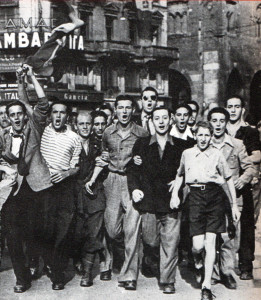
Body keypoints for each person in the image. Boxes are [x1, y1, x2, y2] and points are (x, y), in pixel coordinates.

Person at [170, 121, 240, 300]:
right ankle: (198, 262)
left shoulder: (217, 154)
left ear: (211, 137)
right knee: (197, 246)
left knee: (210, 243)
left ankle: (206, 286)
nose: (203, 139)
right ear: (195, 135)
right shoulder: (187, 154)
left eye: (207, 135)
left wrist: (233, 205)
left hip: (214, 198)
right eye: (200, 135)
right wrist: (175, 195)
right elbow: (180, 175)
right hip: (195, 198)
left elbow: (229, 179)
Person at [86, 94, 147, 290]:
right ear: (115, 110)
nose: (124, 111)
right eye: (120, 107)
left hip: (132, 180)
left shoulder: (142, 133)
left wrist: (140, 163)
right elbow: (104, 155)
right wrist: (95, 175)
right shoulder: (107, 132)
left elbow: (147, 159)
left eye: (128, 108)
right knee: (112, 229)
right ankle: (122, 252)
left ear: (133, 110)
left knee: (132, 228)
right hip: (111, 181)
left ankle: (129, 276)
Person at [0, 65, 52, 293]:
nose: (16, 118)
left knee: (33, 232)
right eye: (12, 115)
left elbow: (42, 104)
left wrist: (28, 77)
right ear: (7, 119)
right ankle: (22, 278)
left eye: (19, 114)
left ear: (24, 115)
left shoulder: (34, 127)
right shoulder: (2, 135)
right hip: (11, 190)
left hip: (34, 186)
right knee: (12, 235)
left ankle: (34, 261)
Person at [127, 107, 183, 294]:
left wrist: (180, 180)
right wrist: (135, 189)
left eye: (165, 118)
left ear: (171, 120)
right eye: (157, 118)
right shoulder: (141, 144)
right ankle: (151, 260)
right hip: (149, 201)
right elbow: (133, 170)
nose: (161, 122)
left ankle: (168, 281)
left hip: (172, 202)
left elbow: (190, 166)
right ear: (151, 121)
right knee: (150, 241)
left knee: (171, 242)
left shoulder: (181, 145)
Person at [208, 107, 256, 289]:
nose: (218, 125)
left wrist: (242, 180)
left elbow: (250, 168)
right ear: (210, 123)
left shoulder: (237, 144)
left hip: (233, 199)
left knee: (229, 237)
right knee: (211, 236)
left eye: (222, 121)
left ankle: (227, 272)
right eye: (214, 120)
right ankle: (211, 272)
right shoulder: (205, 143)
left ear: (226, 123)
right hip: (211, 199)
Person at [40, 101, 82, 290]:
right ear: (50, 115)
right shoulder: (42, 131)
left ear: (67, 116)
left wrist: (66, 173)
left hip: (65, 187)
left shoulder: (74, 138)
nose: (58, 116)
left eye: (62, 113)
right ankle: (49, 262)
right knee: (46, 230)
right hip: (44, 186)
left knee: (63, 232)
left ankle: (58, 274)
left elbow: (76, 166)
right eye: (55, 112)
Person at [73, 111, 111, 287]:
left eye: (89, 123)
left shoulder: (99, 144)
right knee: (78, 232)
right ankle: (79, 258)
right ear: (76, 125)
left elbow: (105, 161)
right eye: (82, 124)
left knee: (94, 233)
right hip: (74, 195)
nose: (86, 127)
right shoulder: (71, 143)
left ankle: (87, 274)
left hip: (95, 194)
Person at [225, 95, 261, 280]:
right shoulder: (220, 128)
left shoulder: (250, 132)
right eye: (230, 106)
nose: (233, 110)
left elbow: (257, 155)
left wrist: (240, 159)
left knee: (246, 223)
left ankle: (245, 265)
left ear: (242, 110)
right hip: (224, 181)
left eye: (236, 106)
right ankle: (224, 264)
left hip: (243, 182)